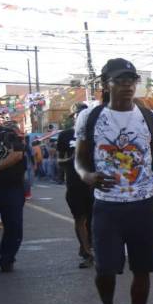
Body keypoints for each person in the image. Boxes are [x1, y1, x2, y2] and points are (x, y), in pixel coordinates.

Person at [75, 58, 153, 304]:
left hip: (144, 204)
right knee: (105, 269)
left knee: (142, 269)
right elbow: (80, 160)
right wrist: (87, 175)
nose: (127, 86)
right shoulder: (91, 118)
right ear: (106, 84)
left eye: (131, 80)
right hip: (107, 206)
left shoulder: (150, 118)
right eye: (120, 81)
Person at [56, 103, 95, 268]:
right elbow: (59, 160)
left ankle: (91, 247)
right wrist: (70, 160)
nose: (80, 116)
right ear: (73, 117)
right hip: (74, 184)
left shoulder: (96, 133)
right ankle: (87, 253)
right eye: (77, 114)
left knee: (94, 220)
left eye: (83, 113)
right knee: (80, 218)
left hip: (95, 183)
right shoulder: (65, 135)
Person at [0, 107, 26, 272]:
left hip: (10, 187)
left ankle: (7, 258)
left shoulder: (7, 133)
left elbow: (17, 154)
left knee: (14, 225)